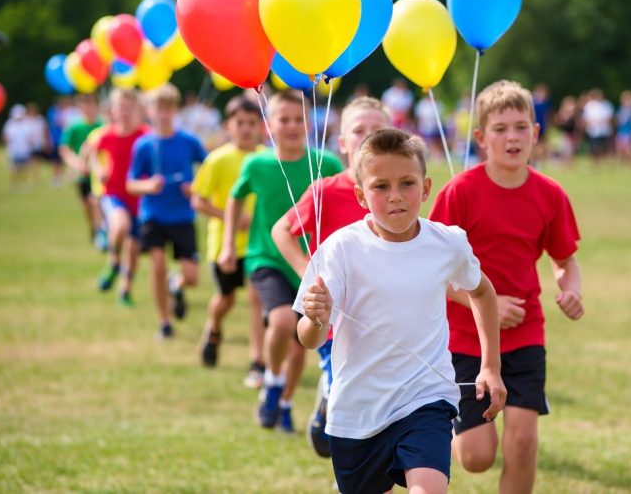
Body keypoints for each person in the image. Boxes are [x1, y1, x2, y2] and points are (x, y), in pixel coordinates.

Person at [295, 128, 506, 494]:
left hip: (426, 399)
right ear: (361, 195)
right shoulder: (340, 249)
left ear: (425, 189)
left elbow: (483, 292)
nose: (395, 197)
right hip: (357, 412)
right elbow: (309, 339)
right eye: (381, 187)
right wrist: (315, 318)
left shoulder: (448, 242)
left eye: (406, 183)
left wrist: (491, 365)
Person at [430, 80, 583, 494]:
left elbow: (564, 258)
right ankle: (444, 428)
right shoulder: (460, 192)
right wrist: (487, 303)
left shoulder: (550, 194)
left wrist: (571, 289)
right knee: (477, 456)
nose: (512, 137)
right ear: (481, 138)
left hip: (526, 333)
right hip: (465, 338)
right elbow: (431, 271)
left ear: (535, 134)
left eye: (521, 127)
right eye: (500, 129)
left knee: (523, 441)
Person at [217, 90, 344, 433]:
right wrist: (229, 244)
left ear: (307, 123)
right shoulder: (257, 164)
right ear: (267, 126)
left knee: (302, 340)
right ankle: (272, 380)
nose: (290, 126)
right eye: (282, 120)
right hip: (266, 257)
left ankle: (285, 402)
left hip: (313, 265)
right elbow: (235, 199)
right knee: (282, 321)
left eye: (297, 119)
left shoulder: (326, 164)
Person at [271, 96, 391, 457]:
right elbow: (282, 230)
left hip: (381, 318)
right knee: (351, 395)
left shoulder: (398, 192)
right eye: (359, 131)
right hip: (333, 322)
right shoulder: (326, 189)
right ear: (342, 143)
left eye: (378, 131)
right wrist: (309, 276)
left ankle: (333, 407)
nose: (368, 138)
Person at [190, 96, 266, 377]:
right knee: (227, 299)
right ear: (228, 126)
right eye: (240, 123)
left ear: (260, 126)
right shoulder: (218, 159)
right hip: (225, 244)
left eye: (251, 123)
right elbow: (198, 200)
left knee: (257, 300)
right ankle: (213, 328)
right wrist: (230, 218)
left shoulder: (266, 158)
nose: (246, 129)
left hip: (259, 245)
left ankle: (257, 363)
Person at [126, 84, 206, 339]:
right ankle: (164, 322)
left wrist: (196, 187)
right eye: (157, 108)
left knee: (192, 277)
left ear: (176, 110)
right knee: (157, 265)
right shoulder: (143, 145)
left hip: (183, 215)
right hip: (153, 215)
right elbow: (131, 183)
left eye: (168, 108)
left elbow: (209, 170)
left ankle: (177, 285)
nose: (163, 114)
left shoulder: (189, 141)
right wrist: (148, 185)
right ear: (149, 111)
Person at [80, 88, 148, 306]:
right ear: (113, 110)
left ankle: (125, 291)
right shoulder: (106, 135)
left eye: (129, 107)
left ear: (137, 109)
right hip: (113, 193)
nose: (125, 112)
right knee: (120, 226)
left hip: (139, 196)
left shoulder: (145, 135)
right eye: (120, 107)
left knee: (135, 249)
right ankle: (114, 262)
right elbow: (90, 155)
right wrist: (98, 169)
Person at [59, 94, 104, 246]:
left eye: (91, 105)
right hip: (82, 173)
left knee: (95, 200)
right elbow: (65, 149)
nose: (88, 109)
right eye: (85, 105)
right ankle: (94, 226)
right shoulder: (74, 127)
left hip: (98, 172)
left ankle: (101, 231)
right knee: (86, 205)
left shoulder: (102, 126)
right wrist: (77, 164)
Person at [2, 104, 33, 190]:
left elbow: (29, 137)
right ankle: (14, 183)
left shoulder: (26, 124)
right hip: (13, 149)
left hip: (24, 149)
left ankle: (23, 183)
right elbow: (5, 136)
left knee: (24, 167)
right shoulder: (9, 124)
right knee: (14, 168)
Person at [581, 89, 614, 163]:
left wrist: (600, 122)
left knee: (605, 148)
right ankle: (595, 162)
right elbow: (585, 118)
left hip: (604, 130)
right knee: (594, 148)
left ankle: (604, 162)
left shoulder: (606, 105)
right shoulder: (589, 106)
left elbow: (609, 117)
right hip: (593, 131)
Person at [615, 90, 631, 165]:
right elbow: (618, 121)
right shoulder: (621, 110)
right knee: (622, 148)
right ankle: (623, 161)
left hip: (630, 131)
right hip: (622, 131)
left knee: (630, 148)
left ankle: (629, 162)